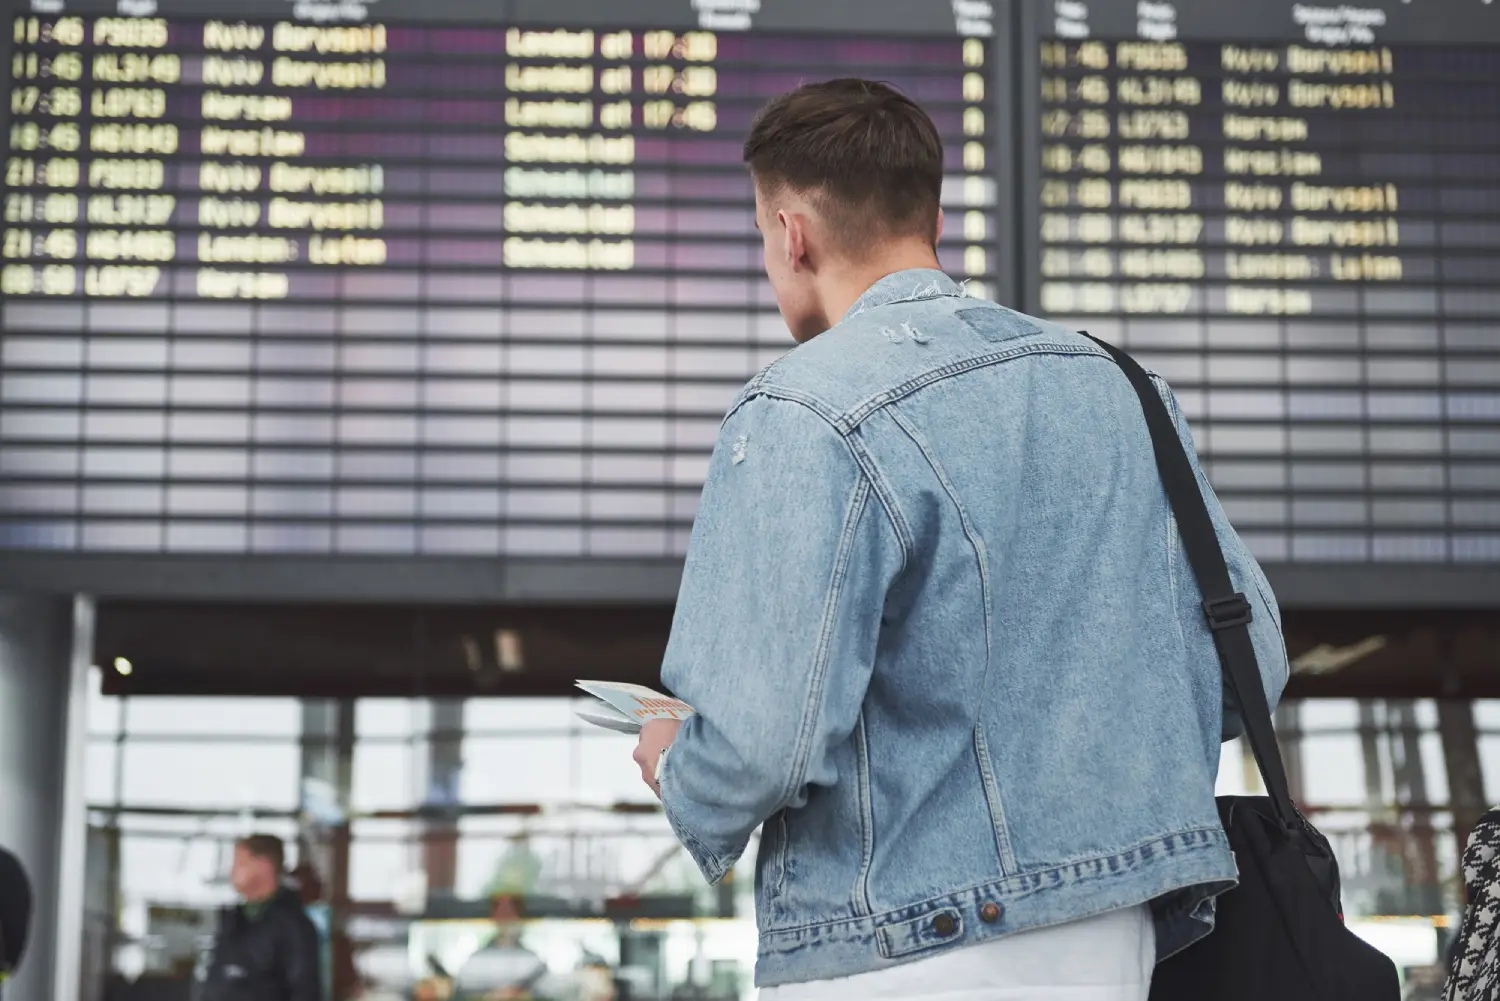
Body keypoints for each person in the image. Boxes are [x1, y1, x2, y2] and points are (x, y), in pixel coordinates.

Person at [631, 78, 1290, 1000]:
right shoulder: (1126, 389)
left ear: (792, 234)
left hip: (896, 946)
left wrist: (679, 764)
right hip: (1123, 939)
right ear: (931, 216)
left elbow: (759, 747)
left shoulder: (801, 409)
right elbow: (1249, 665)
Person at [195, 834, 323, 1001]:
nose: (232, 872)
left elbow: (305, 990)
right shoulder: (233, 921)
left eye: (241, 864)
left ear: (264, 866)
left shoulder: (293, 927)